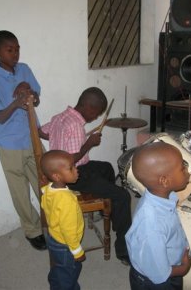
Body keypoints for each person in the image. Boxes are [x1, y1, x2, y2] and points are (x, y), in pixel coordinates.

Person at [40, 87, 132, 265]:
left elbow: (41, 132)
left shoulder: (59, 117)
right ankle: (124, 251)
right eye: (97, 114)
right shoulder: (75, 125)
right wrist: (88, 144)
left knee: (106, 168)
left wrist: (58, 140)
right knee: (123, 195)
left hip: (66, 170)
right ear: (88, 107)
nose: (96, 118)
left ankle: (109, 211)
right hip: (73, 177)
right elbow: (70, 161)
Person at [0, 30, 46, 250]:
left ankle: (54, 222)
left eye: (17, 48)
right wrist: (16, 102)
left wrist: (29, 92)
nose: (15, 53)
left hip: (32, 136)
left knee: (45, 182)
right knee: (20, 191)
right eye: (9, 49)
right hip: (10, 144)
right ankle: (33, 230)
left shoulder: (24, 70)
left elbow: (35, 100)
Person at [125, 142, 191, 290]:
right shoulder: (152, 224)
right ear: (164, 181)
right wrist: (183, 269)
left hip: (168, 265)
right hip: (154, 281)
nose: (187, 170)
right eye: (183, 167)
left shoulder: (163, 198)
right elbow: (157, 272)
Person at [40, 150, 85, 290]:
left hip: (53, 237)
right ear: (57, 176)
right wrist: (77, 251)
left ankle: (55, 279)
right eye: (71, 168)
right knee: (69, 271)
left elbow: (44, 197)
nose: (76, 170)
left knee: (60, 267)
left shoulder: (49, 188)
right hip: (65, 245)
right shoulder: (67, 201)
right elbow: (69, 230)